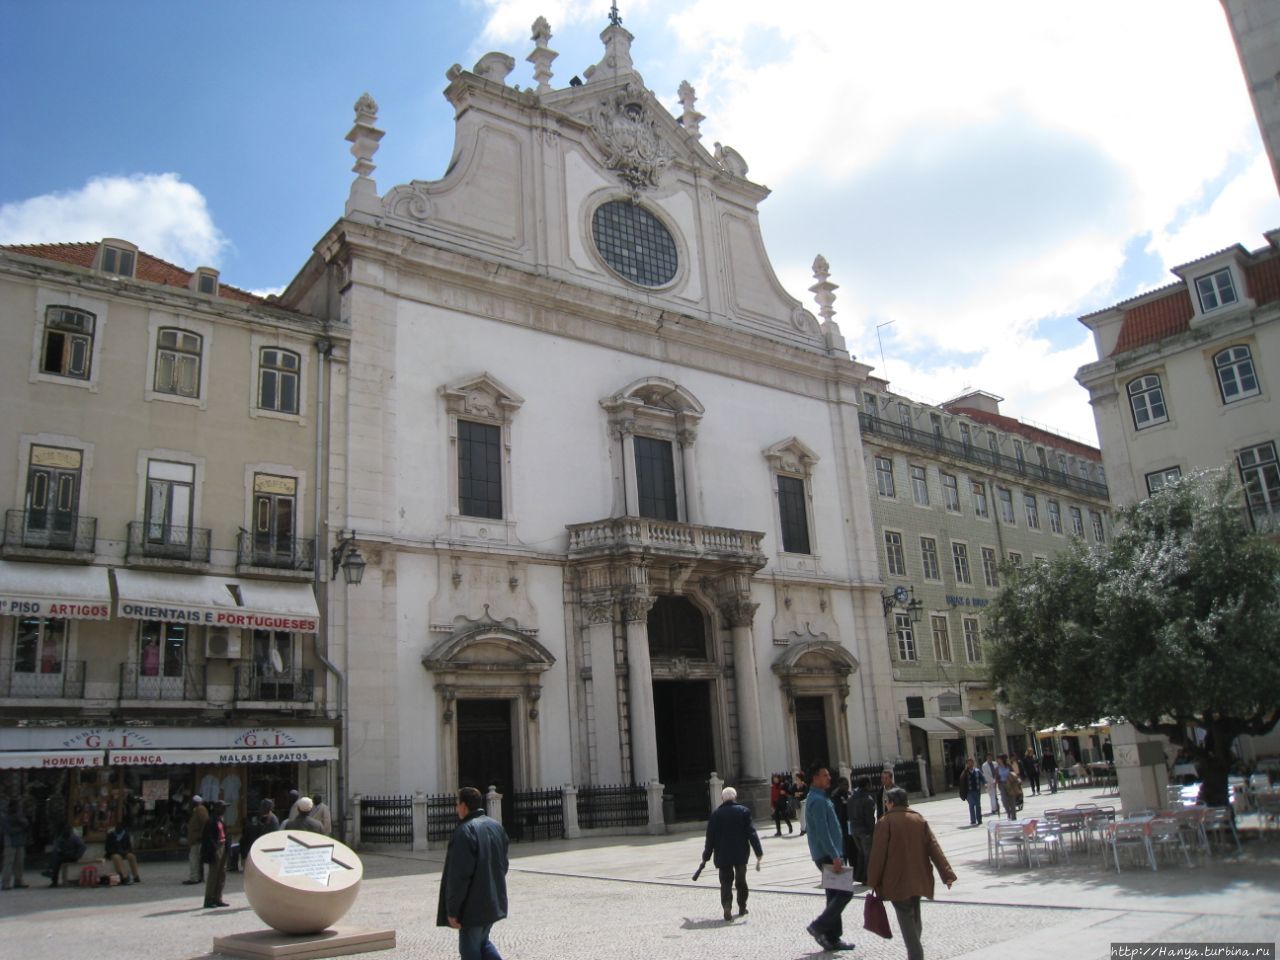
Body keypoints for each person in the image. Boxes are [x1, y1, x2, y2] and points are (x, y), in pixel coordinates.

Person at [867, 787, 957, 960]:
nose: (885, 804)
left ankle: (916, 955)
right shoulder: (918, 819)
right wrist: (947, 874)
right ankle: (915, 952)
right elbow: (934, 847)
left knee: (906, 919)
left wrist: (873, 879)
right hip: (919, 877)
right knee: (914, 913)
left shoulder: (885, 822)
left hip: (896, 881)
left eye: (887, 801)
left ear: (891, 803)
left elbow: (878, 854)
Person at [437, 786, 510, 960]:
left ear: (463, 806)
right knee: (483, 943)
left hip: (472, 908)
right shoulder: (496, 826)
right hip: (493, 902)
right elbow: (504, 865)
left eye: (457, 804)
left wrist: (453, 911)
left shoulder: (464, 831)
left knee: (469, 951)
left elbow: (459, 876)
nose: (456, 808)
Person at [803, 765, 855, 952]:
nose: (829, 778)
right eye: (825, 776)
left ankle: (833, 938)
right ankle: (819, 926)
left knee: (834, 894)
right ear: (815, 778)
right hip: (827, 853)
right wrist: (834, 855)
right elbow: (822, 832)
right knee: (846, 892)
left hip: (828, 852)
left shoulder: (819, 797)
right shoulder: (817, 800)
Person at [700, 786, 763, 922]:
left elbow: (710, 838)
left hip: (723, 854)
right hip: (740, 853)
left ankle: (727, 907)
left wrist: (706, 856)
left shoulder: (716, 814)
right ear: (735, 797)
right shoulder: (744, 811)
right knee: (741, 881)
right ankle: (742, 906)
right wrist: (758, 852)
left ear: (722, 798)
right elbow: (751, 833)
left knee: (725, 882)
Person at [846, 776, 876, 883]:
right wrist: (873, 832)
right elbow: (870, 818)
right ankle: (866, 877)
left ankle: (859, 875)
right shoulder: (868, 799)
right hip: (865, 830)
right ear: (867, 785)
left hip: (854, 829)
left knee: (861, 853)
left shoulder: (851, 798)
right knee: (868, 854)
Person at [201, 800, 230, 909]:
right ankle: (209, 899)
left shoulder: (221, 820)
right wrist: (214, 850)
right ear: (217, 808)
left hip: (222, 847)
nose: (224, 810)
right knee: (213, 875)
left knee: (221, 874)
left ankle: (218, 898)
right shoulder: (211, 821)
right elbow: (208, 838)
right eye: (223, 808)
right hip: (216, 848)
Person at [238, 799, 279, 868]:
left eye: (262, 807)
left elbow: (270, 834)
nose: (260, 809)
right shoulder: (265, 817)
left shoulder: (272, 819)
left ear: (267, 808)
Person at [1, 799, 30, 890]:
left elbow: (26, 823)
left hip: (19, 842)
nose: (17, 808)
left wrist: (19, 822)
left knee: (19, 863)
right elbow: (9, 830)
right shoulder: (6, 816)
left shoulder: (19, 815)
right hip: (10, 843)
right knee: (8, 863)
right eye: (15, 806)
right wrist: (20, 828)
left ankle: (18, 881)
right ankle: (5, 883)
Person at [183, 796, 208, 885]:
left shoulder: (200, 809)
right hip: (196, 839)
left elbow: (205, 823)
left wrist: (201, 835)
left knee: (194, 859)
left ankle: (194, 878)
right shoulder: (196, 810)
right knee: (197, 859)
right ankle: (199, 877)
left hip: (197, 840)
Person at [831, 777, 851, 864]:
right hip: (841, 823)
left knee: (850, 844)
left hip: (849, 823)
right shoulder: (836, 795)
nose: (847, 786)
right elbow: (838, 811)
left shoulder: (849, 793)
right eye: (845, 784)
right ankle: (844, 861)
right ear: (839, 785)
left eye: (847, 784)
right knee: (843, 845)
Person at [961, 758, 984, 826]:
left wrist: (985, 783)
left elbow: (982, 778)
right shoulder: (965, 772)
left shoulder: (977, 771)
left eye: (971, 762)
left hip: (977, 791)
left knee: (978, 805)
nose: (970, 764)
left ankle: (979, 820)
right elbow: (962, 782)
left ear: (973, 763)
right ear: (967, 764)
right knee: (971, 805)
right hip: (969, 792)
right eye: (968, 763)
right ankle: (973, 820)